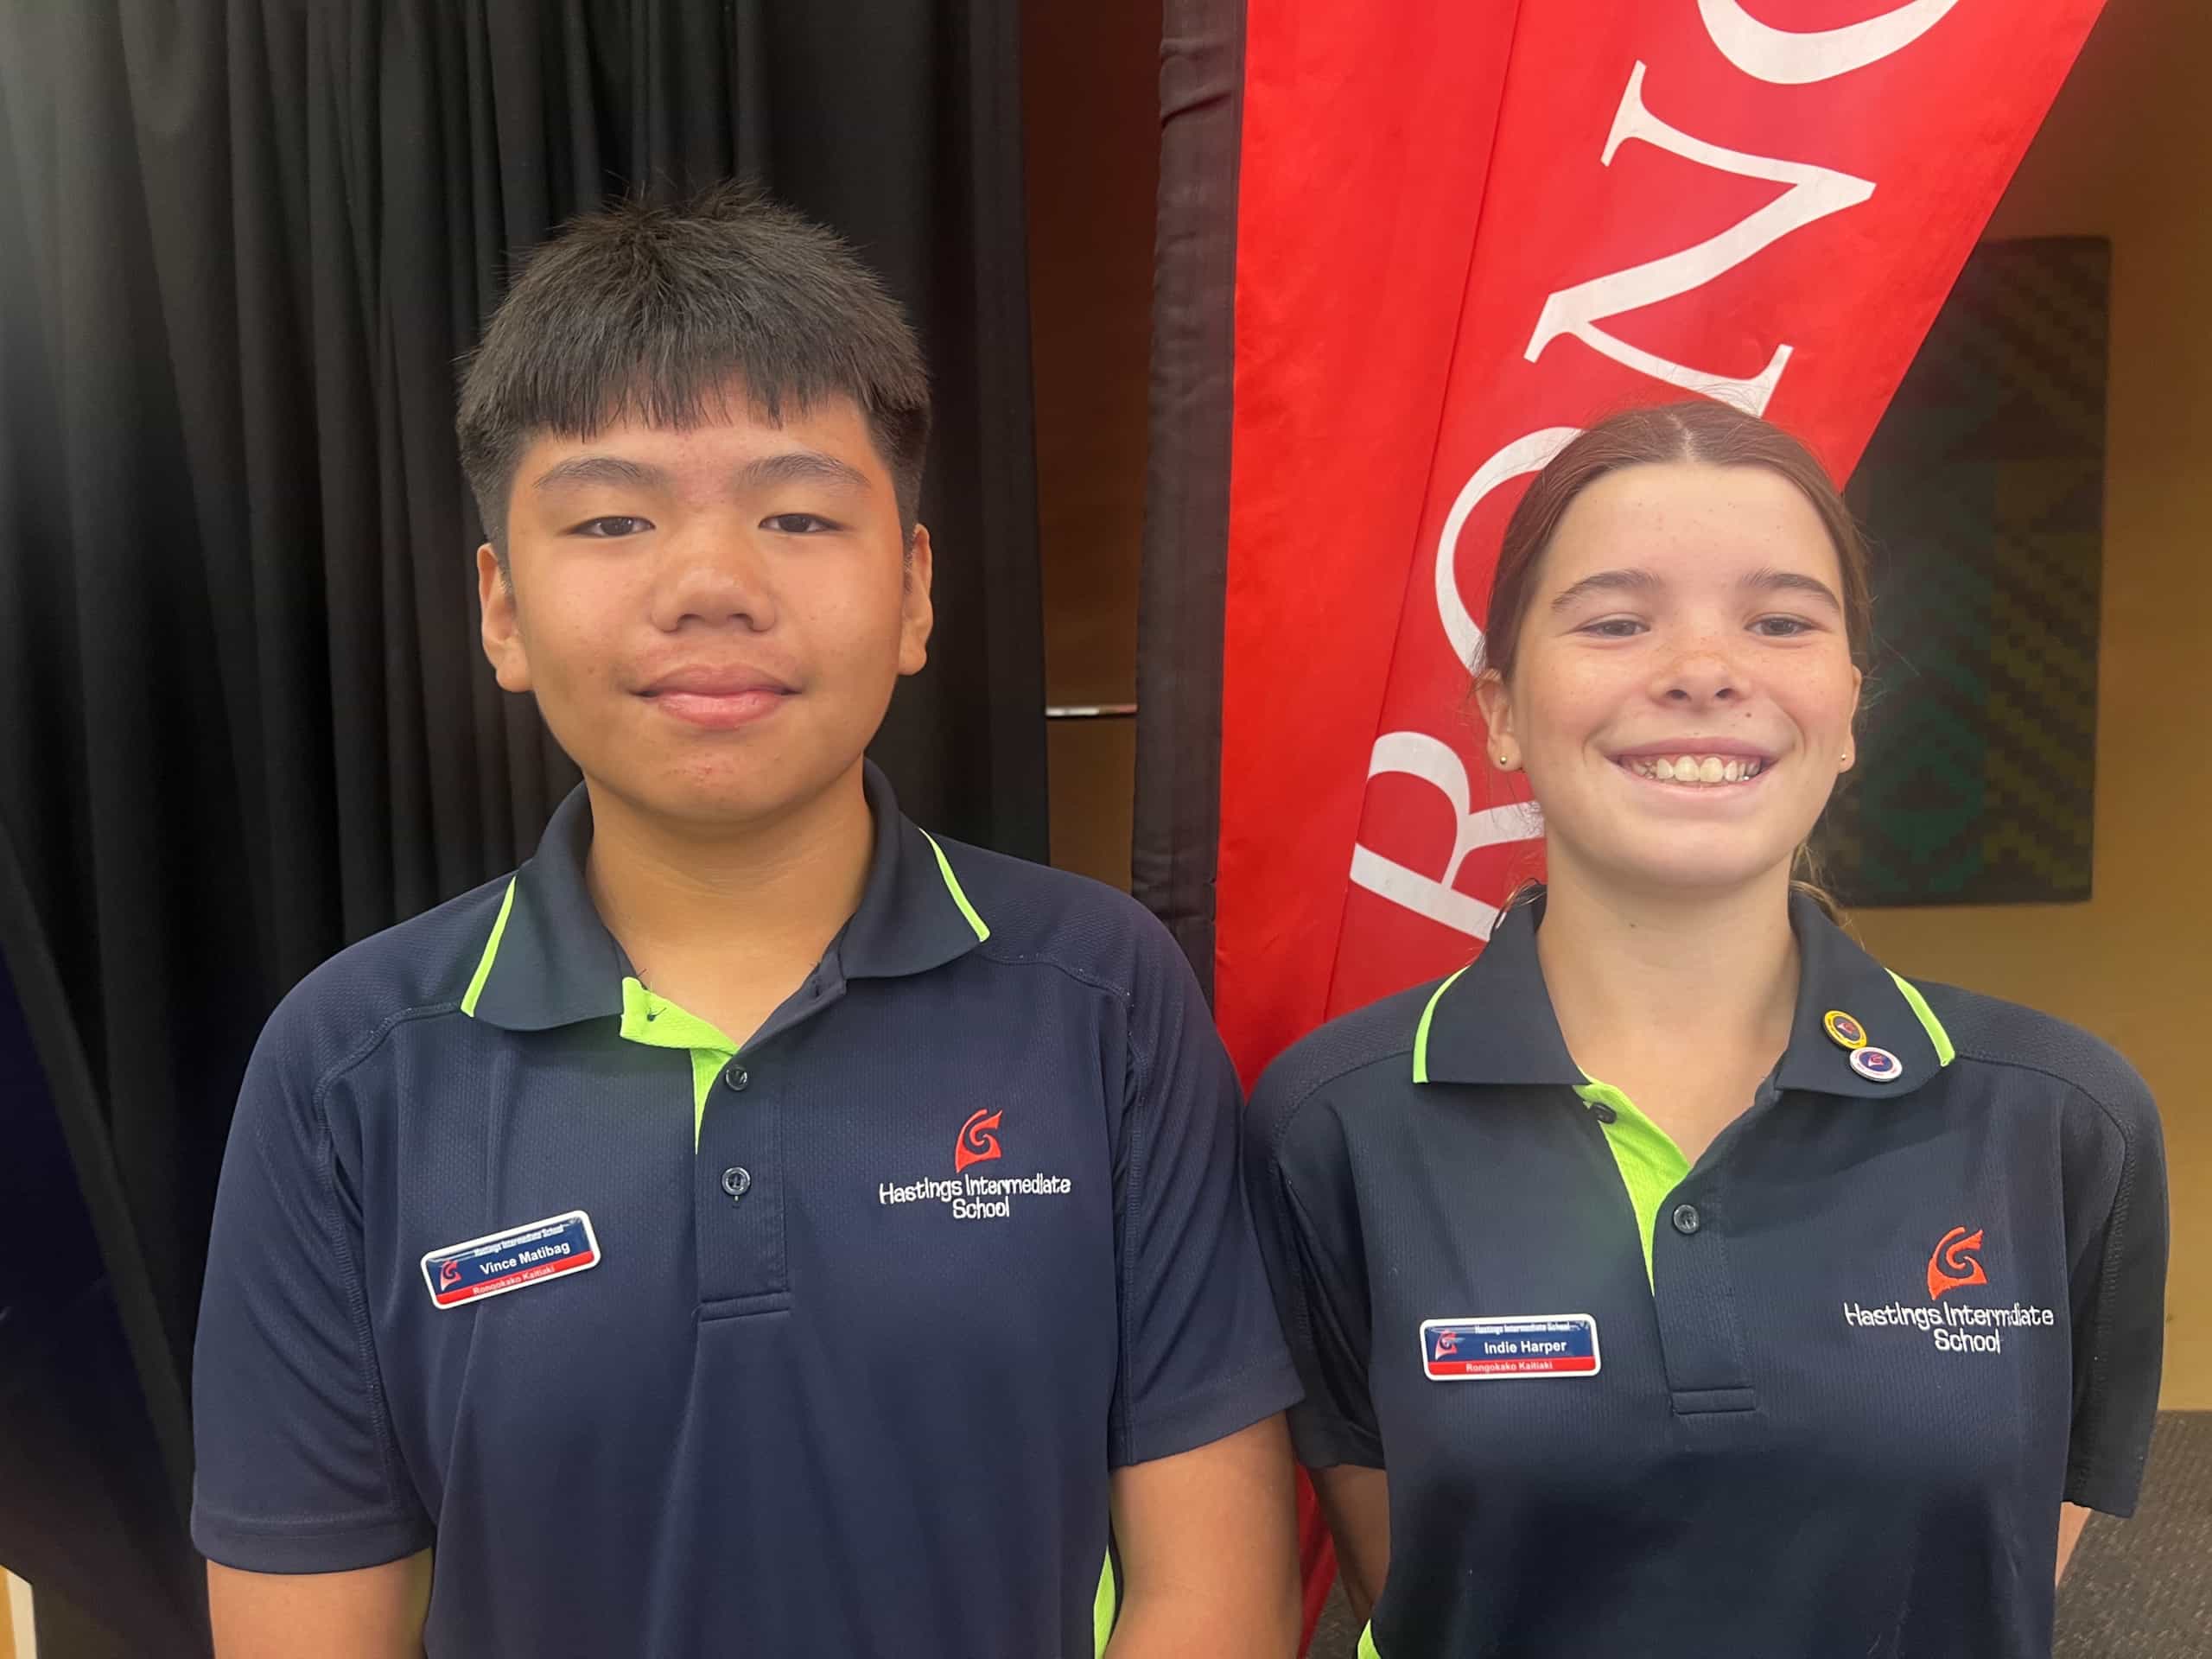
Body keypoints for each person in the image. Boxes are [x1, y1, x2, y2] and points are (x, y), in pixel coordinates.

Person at [191, 186, 1301, 1659]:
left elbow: (1211, 1594)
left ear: (913, 590)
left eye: (797, 515)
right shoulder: (351, 1066)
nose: (712, 586)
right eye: (612, 519)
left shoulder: (1098, 996)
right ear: (501, 609)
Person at [1245, 401, 2166, 1659]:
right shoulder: (1330, 1125)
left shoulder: (2061, 1121)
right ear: (1501, 710)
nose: (1704, 668)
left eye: (1780, 622)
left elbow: (1992, 1581)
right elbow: (1419, 1593)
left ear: (1850, 708)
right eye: (1616, 621)